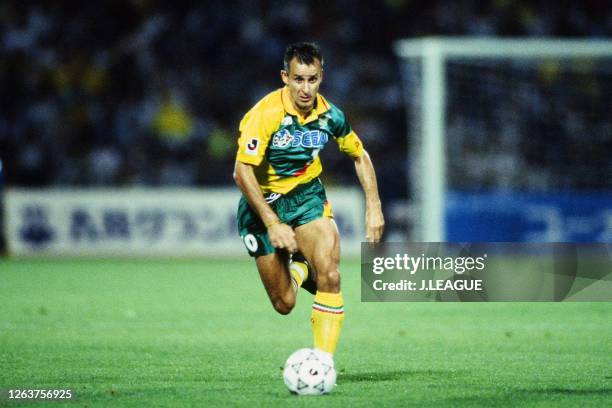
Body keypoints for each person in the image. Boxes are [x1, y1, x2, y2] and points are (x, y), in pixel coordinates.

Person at [233, 42, 384, 358]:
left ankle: (322, 362)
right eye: (298, 79)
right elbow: (241, 171)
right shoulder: (265, 114)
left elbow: (360, 155)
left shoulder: (331, 116)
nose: (305, 88)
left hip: (306, 197)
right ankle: (300, 267)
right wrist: (272, 223)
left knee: (330, 275)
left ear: (321, 77)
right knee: (284, 303)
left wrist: (374, 206)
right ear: (285, 77)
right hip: (262, 204)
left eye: (312, 79)